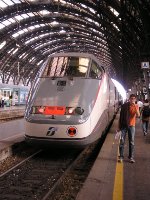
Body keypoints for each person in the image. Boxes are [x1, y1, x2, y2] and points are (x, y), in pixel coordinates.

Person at [118, 94, 140, 163]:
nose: (132, 100)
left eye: (134, 99)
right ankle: (121, 156)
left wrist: (135, 106)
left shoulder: (136, 106)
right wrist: (119, 127)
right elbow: (121, 117)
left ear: (135, 99)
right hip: (124, 126)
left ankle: (131, 157)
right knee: (122, 141)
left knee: (132, 142)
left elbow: (138, 115)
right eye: (131, 98)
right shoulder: (124, 106)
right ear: (129, 99)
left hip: (132, 126)